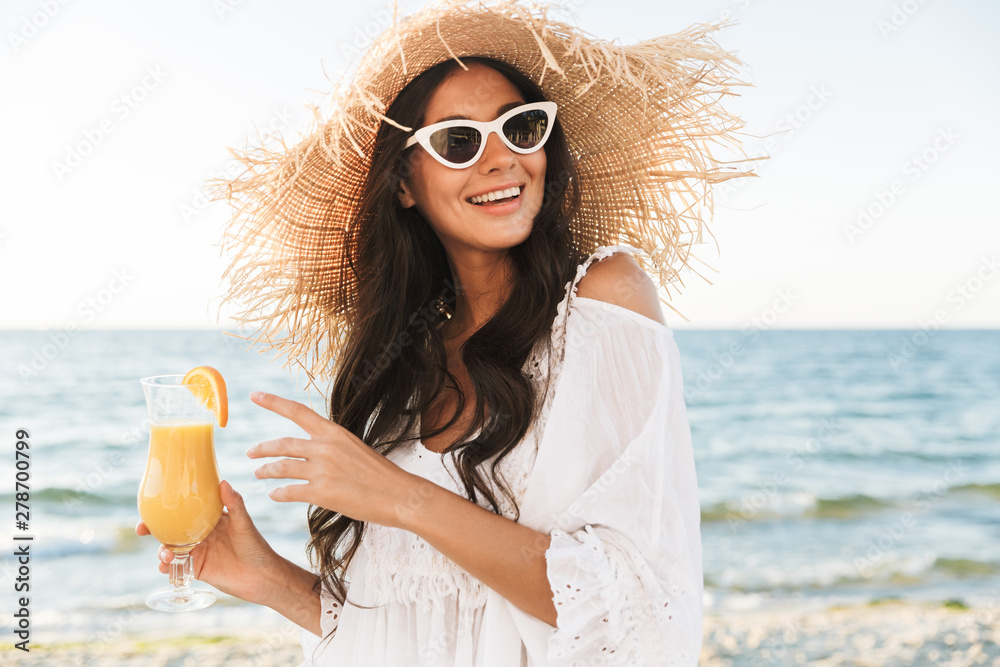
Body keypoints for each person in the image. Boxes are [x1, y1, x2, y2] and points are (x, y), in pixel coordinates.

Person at [136, 1, 756, 664]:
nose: (502, 159)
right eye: (459, 142)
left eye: (522, 129)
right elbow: (418, 625)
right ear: (404, 181)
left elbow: (636, 609)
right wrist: (266, 577)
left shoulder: (602, 302)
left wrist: (399, 496)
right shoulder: (406, 367)